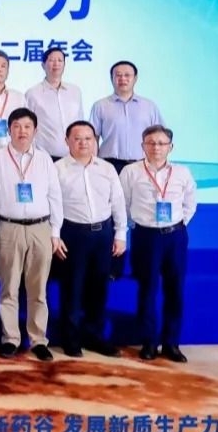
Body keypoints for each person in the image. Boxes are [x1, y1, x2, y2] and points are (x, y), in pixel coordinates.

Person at [0, 107, 64, 361]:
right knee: (8, 287)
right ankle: (10, 339)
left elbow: (55, 196)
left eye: (27, 127)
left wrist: (55, 231)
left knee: (38, 289)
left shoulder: (44, 159)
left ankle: (38, 340)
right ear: (9, 129)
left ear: (35, 130)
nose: (22, 131)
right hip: (8, 227)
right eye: (17, 126)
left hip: (40, 229)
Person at [120, 125, 197, 362]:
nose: (156, 147)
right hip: (146, 237)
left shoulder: (182, 173)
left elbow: (190, 203)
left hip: (175, 237)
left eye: (162, 143)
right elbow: (123, 204)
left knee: (175, 290)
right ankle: (149, 343)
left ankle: (171, 344)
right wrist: (139, 224)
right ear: (143, 146)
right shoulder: (131, 172)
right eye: (151, 143)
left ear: (170, 147)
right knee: (147, 290)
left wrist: (177, 224)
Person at [55, 121, 127, 357]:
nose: (83, 143)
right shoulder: (57, 169)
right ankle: (71, 339)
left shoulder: (106, 168)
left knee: (99, 288)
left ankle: (94, 336)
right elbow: (52, 205)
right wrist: (55, 235)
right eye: (77, 138)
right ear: (67, 141)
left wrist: (120, 234)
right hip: (72, 234)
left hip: (103, 235)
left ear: (95, 141)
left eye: (88, 138)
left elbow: (118, 202)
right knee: (72, 289)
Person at [90, 60, 164, 174]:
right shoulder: (100, 106)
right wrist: (93, 164)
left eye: (127, 75)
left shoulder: (149, 106)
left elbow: (160, 137)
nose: (123, 79)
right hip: (109, 164)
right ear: (111, 78)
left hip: (142, 164)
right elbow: (93, 138)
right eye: (118, 75)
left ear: (135, 78)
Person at [25, 47, 84, 161]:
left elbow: (80, 122)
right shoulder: (33, 93)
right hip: (45, 157)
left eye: (60, 60)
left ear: (64, 65)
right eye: (51, 60)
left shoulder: (75, 91)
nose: (56, 64)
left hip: (74, 156)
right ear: (43, 65)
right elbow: (28, 126)